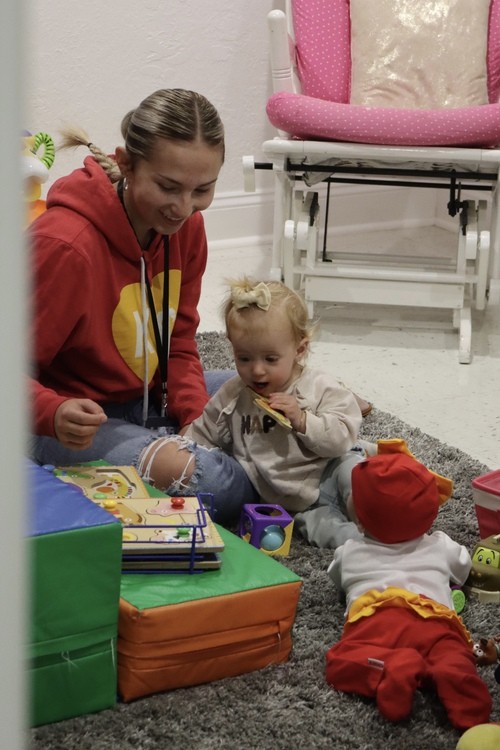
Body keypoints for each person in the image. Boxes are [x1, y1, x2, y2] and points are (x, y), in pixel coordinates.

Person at [28, 88, 257, 524]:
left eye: (202, 190)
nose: (184, 208)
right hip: (61, 422)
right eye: (168, 187)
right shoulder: (64, 247)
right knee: (212, 481)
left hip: (147, 398)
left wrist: (193, 416)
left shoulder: (187, 229)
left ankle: (303, 467)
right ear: (127, 164)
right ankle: (292, 476)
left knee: (284, 391)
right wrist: (51, 411)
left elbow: (179, 342)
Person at [186, 277, 369, 545]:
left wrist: (303, 420)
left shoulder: (319, 386)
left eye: (271, 359)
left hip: (331, 469)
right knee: (329, 534)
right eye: (244, 358)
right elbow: (201, 434)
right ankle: (366, 548)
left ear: (299, 350)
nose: (257, 370)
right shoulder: (233, 395)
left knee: (358, 477)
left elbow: (342, 437)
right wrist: (182, 453)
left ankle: (376, 519)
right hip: (294, 503)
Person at [325, 452, 493, 731]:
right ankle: (461, 688)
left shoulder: (349, 552)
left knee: (339, 662)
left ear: (361, 522)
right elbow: (463, 569)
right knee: (453, 654)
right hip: (435, 620)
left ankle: (389, 666)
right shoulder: (441, 545)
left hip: (376, 621)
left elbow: (338, 580)